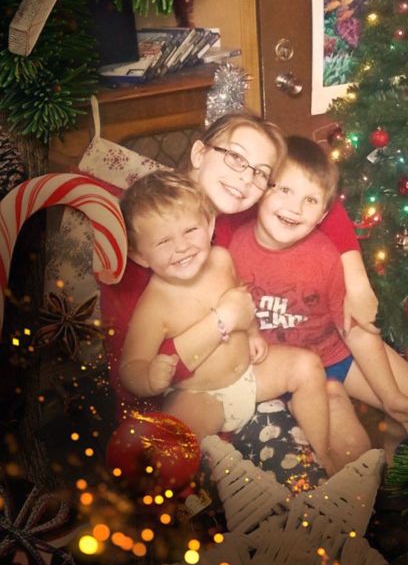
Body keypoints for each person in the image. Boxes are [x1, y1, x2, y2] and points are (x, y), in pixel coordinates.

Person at [101, 112, 378, 434]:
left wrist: (356, 277)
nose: (246, 179)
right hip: (189, 403)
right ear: (199, 153)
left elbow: (322, 200)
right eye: (235, 157)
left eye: (261, 172)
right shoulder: (145, 236)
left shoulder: (237, 209)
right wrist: (222, 321)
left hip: (258, 368)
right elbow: (132, 380)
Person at [228, 136, 408, 465]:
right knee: (349, 450)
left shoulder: (326, 256)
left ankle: (389, 449)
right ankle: (325, 402)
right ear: (261, 189)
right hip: (280, 368)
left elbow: (354, 328)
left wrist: (390, 396)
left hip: (334, 355)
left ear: (323, 214)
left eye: (310, 200)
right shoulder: (233, 249)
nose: (294, 208)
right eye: (284, 190)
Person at [118, 169, 337, 475]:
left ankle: (322, 455)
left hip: (250, 375)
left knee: (308, 365)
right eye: (164, 241)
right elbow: (129, 367)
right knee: (170, 443)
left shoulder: (221, 259)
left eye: (190, 230)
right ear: (140, 255)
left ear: (209, 225)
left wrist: (253, 333)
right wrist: (149, 377)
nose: (181, 247)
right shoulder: (154, 305)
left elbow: (240, 297)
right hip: (200, 396)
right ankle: (197, 494)